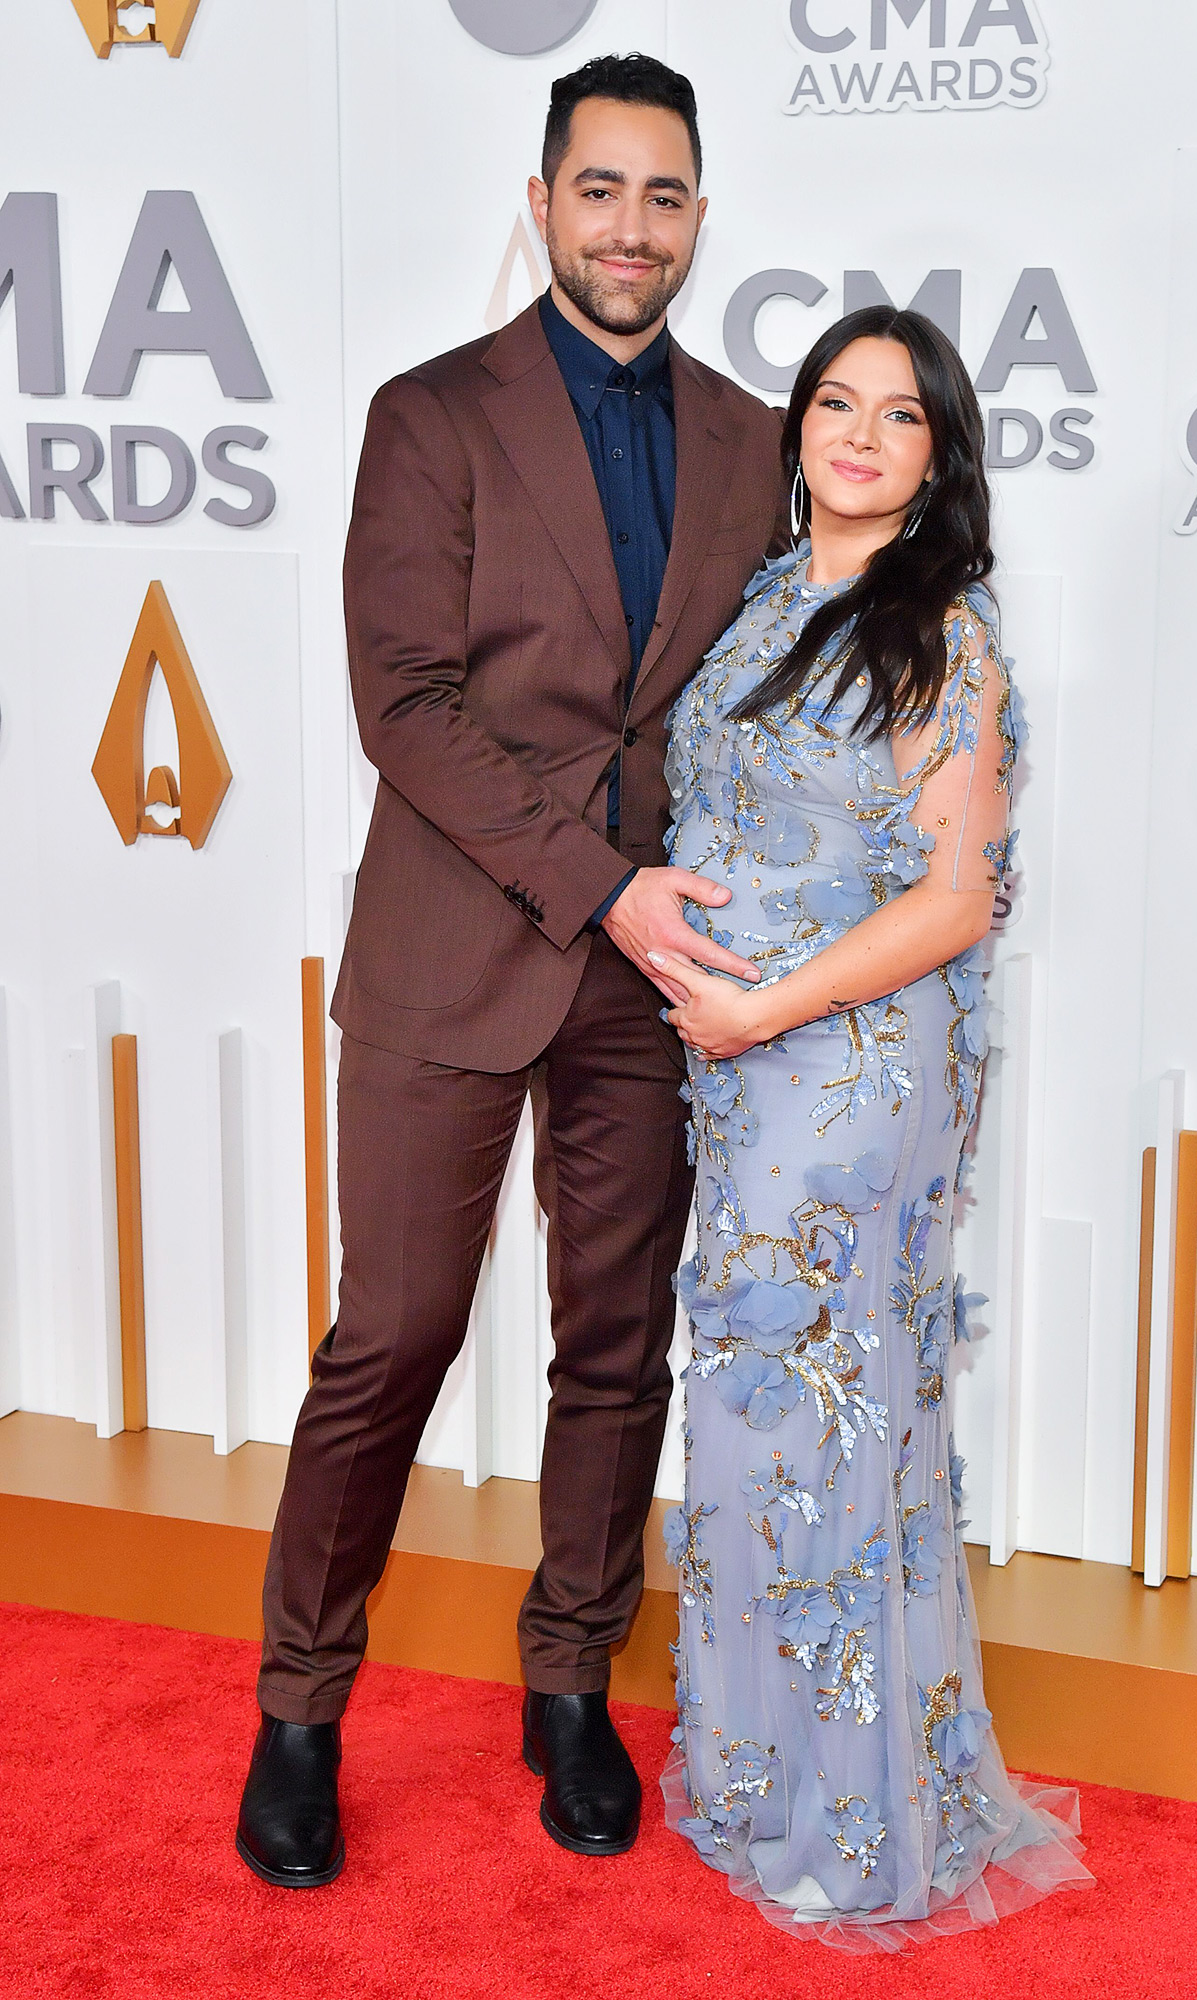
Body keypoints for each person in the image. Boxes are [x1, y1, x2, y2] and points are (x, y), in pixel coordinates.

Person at [236, 53, 784, 1887]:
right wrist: (600, 885)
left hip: (652, 976)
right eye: (600, 189)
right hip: (458, 945)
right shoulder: (431, 416)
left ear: (699, 218)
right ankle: (300, 1708)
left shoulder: (752, 440)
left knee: (614, 1346)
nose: (632, 227)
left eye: (664, 195)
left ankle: (571, 1686)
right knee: (391, 1338)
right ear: (543, 204)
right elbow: (405, 704)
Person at [650, 306, 1092, 1947]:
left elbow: (957, 898)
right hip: (741, 1076)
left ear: (938, 456)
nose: (856, 434)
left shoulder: (942, 638)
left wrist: (764, 1008)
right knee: (755, 1425)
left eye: (898, 416)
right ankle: (768, 1780)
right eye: (835, 402)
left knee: (827, 1429)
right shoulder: (770, 597)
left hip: (848, 1080)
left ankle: (860, 1821)